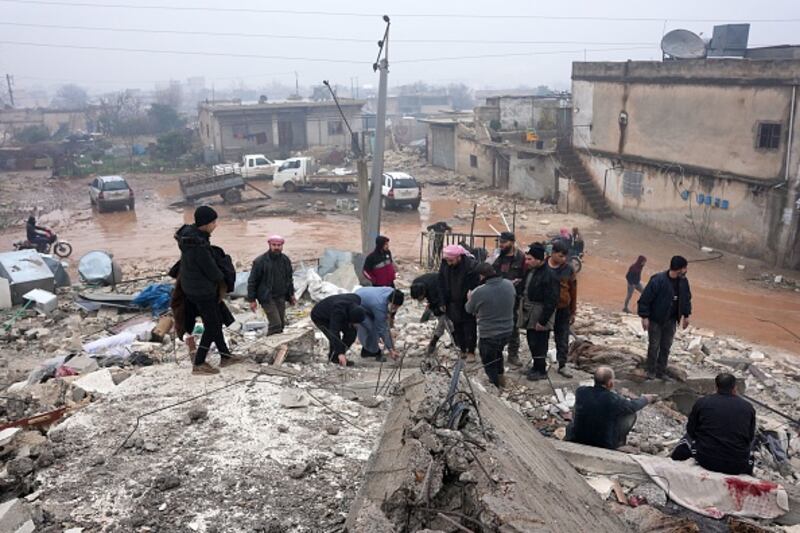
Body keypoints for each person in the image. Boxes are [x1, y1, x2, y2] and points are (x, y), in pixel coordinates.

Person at [175, 206, 242, 375]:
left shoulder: (189, 238)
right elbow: (212, 271)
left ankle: (225, 356)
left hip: (191, 287)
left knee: (215, 321)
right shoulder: (198, 245)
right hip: (202, 291)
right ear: (205, 224)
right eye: (213, 222)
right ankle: (199, 363)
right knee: (212, 325)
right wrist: (225, 275)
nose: (215, 225)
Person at [671, 373, 756, 475]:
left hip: (706, 460)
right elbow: (750, 437)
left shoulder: (702, 402)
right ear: (735, 387)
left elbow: (691, 430)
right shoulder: (748, 407)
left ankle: (674, 462)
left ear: (716, 387)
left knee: (687, 438)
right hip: (737, 465)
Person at [567, 366, 657, 450]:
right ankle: (618, 442)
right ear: (610, 383)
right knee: (630, 414)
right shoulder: (612, 399)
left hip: (578, 438)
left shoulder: (581, 391)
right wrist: (646, 399)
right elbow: (632, 406)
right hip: (603, 443)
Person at [638, 255, 692, 380]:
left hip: (672, 320)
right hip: (655, 320)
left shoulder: (683, 282)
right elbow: (645, 299)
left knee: (666, 347)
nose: (686, 270)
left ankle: (661, 372)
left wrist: (686, 315)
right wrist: (644, 317)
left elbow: (686, 299)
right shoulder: (658, 280)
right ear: (679, 269)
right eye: (685, 268)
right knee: (654, 346)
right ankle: (650, 371)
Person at [465, 263, 516, 388]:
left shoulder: (479, 292)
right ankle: (501, 378)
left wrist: (469, 298)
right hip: (508, 330)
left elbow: (469, 309)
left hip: (489, 333)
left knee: (489, 362)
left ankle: (495, 386)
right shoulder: (509, 284)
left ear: (481, 276)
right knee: (498, 353)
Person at [519, 243, 560, 381]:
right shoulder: (531, 271)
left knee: (540, 342)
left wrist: (542, 321)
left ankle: (541, 370)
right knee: (532, 340)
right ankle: (535, 367)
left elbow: (552, 300)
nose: (527, 262)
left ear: (538, 259)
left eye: (530, 259)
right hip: (530, 310)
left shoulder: (550, 275)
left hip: (541, 311)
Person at [247, 235, 296, 335]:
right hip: (267, 297)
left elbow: (289, 279)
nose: (276, 247)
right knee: (276, 324)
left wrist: (291, 295)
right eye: (274, 245)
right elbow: (252, 281)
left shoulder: (285, 260)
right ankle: (270, 343)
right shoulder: (260, 261)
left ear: (282, 246)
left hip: (281, 296)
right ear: (269, 245)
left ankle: (278, 342)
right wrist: (252, 300)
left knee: (281, 324)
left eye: (279, 245)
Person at [438, 244, 480, 360]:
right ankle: (462, 349)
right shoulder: (445, 264)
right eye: (448, 260)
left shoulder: (470, 266)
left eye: (451, 261)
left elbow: (476, 284)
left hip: (466, 301)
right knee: (457, 325)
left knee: (469, 326)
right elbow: (441, 282)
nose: (449, 263)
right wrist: (442, 301)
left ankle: (471, 351)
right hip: (451, 301)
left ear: (459, 257)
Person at [492, 231, 526, 366]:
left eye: (504, 242)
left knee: (513, 326)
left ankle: (513, 354)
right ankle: (496, 354)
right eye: (500, 242)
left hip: (513, 298)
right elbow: (491, 273)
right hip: (498, 296)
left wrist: (517, 283)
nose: (501, 245)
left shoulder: (521, 258)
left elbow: (525, 277)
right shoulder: (497, 256)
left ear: (512, 242)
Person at [310, 293, 367, 367]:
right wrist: (340, 353)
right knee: (333, 337)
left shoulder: (356, 299)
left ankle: (336, 356)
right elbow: (334, 333)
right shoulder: (338, 312)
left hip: (338, 311)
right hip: (320, 316)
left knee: (352, 333)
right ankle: (336, 358)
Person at [547, 240, 577, 378]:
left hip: (562, 308)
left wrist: (573, 311)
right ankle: (539, 363)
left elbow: (573, 291)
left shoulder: (568, 269)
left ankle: (562, 365)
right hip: (545, 308)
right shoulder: (543, 266)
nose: (563, 259)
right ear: (553, 253)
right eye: (560, 256)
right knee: (541, 336)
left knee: (562, 337)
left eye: (565, 256)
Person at [354, 287, 404, 362]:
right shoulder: (379, 306)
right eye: (394, 306)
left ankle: (369, 348)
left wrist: (391, 317)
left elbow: (391, 311)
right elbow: (382, 329)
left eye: (397, 307)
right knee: (371, 327)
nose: (395, 308)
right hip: (358, 303)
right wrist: (391, 349)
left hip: (366, 296)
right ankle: (371, 351)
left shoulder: (393, 293)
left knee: (377, 325)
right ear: (389, 301)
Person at [410, 273, 447, 355]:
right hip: (435, 291)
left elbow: (440, 305)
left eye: (420, 298)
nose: (419, 300)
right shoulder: (415, 284)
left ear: (423, 293)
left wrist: (438, 308)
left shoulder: (434, 290)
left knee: (444, 318)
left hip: (446, 290)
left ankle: (435, 341)